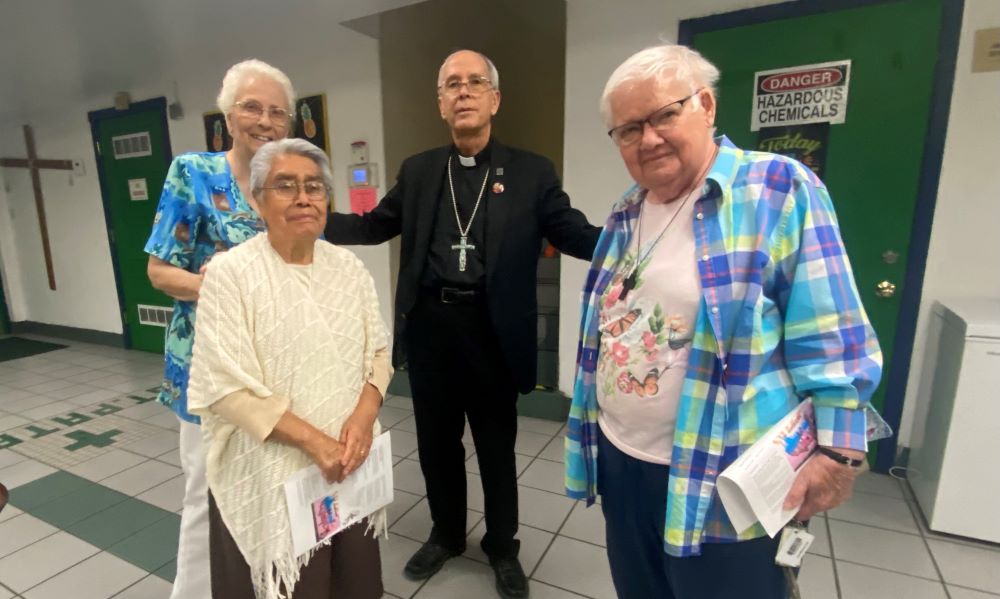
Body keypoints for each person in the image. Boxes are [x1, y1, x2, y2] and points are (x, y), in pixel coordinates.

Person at [565, 44, 889, 599]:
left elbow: (832, 333)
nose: (648, 138)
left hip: (724, 475)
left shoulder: (778, 188)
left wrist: (838, 453)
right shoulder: (627, 209)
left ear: (707, 106)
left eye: (665, 114)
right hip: (624, 460)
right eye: (628, 129)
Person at [324, 49, 600, 598]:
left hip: (493, 332)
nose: (464, 91)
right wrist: (312, 221)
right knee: (436, 445)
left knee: (497, 447)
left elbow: (568, 230)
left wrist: (630, 243)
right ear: (441, 104)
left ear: (495, 99)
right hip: (432, 329)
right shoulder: (421, 170)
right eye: (453, 84)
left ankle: (502, 546)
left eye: (476, 82)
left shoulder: (531, 171)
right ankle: (447, 533)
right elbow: (376, 225)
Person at [187, 138, 391, 599]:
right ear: (257, 200)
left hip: (349, 458)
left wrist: (362, 418)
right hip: (272, 466)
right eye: (286, 186)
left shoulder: (350, 268)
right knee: (294, 584)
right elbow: (223, 387)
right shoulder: (230, 274)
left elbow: (379, 353)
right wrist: (314, 442)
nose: (304, 197)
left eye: (314, 187)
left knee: (352, 581)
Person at [144, 59, 296, 599]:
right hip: (208, 368)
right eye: (252, 107)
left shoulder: (286, 183)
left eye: (278, 111)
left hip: (272, 365)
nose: (266, 120)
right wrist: (214, 285)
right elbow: (159, 272)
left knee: (269, 490)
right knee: (206, 497)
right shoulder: (194, 173)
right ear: (228, 116)